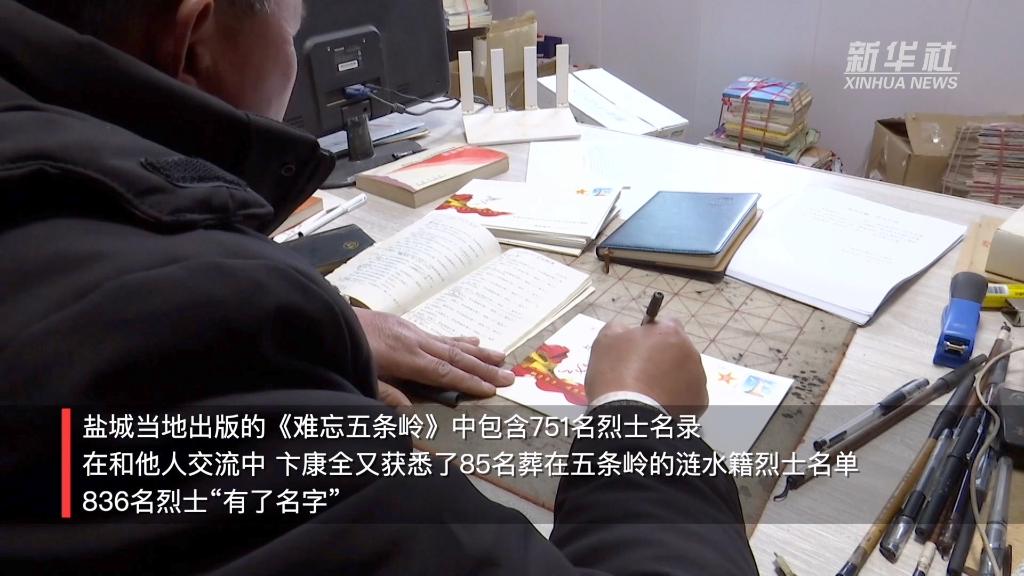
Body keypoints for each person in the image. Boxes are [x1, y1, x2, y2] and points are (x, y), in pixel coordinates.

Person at [0, 1, 757, 574]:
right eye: (292, 32)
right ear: (197, 41)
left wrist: (305, 318)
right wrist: (639, 417)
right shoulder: (187, 343)